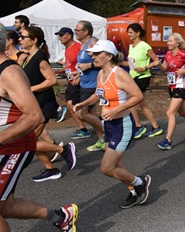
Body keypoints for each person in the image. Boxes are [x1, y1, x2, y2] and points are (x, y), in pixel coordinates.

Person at [0, 18, 78, 232]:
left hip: (12, 147)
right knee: (6, 206)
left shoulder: (9, 73)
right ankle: (60, 216)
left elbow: (34, 116)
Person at [73, 40, 151, 209]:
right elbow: (98, 94)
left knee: (107, 168)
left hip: (122, 125)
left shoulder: (120, 74)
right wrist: (84, 103)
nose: (92, 56)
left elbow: (138, 96)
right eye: (92, 53)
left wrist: (116, 110)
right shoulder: (101, 73)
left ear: (108, 56)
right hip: (108, 125)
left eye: (96, 53)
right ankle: (134, 192)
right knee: (117, 165)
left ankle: (139, 182)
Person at [18, 26, 77, 182]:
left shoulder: (40, 58)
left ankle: (63, 150)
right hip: (33, 105)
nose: (20, 40)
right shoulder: (27, 57)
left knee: (28, 142)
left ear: (34, 40)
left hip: (44, 104)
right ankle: (51, 168)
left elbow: (52, 80)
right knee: (30, 141)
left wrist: (30, 89)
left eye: (23, 37)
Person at [123, 23, 163, 139]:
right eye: (128, 32)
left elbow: (156, 61)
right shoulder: (131, 46)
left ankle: (138, 126)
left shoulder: (145, 46)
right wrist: (118, 62)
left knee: (131, 101)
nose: (128, 34)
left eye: (131, 32)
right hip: (133, 77)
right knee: (142, 104)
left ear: (138, 33)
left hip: (143, 77)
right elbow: (131, 65)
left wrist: (145, 68)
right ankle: (156, 127)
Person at [74, 20, 106, 152]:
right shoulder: (82, 46)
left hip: (94, 84)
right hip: (84, 82)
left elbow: (104, 60)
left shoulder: (92, 42)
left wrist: (89, 65)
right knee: (92, 113)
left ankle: (111, 131)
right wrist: (78, 74)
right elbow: (84, 65)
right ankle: (102, 140)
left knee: (81, 112)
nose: (75, 32)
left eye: (77, 30)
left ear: (86, 32)